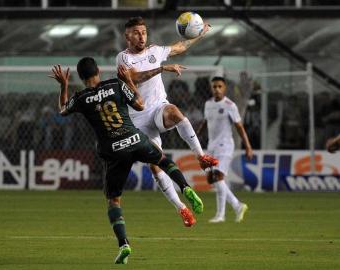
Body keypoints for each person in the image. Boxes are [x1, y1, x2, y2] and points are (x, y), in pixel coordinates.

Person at [49, 57, 207, 264]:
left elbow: (62, 110)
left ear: (80, 77)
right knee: (163, 161)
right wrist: (129, 82)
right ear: (98, 70)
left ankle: (124, 244)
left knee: (113, 201)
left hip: (113, 151)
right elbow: (140, 105)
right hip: (135, 139)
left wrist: (64, 85)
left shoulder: (81, 98)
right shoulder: (116, 84)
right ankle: (185, 187)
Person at [116, 17, 217, 226]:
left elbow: (179, 47)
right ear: (127, 36)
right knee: (156, 165)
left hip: (157, 108)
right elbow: (135, 78)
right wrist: (163, 68)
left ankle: (201, 157)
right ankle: (182, 209)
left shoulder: (155, 51)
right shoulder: (123, 58)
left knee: (176, 112)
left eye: (143, 32)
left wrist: (199, 34)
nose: (141, 36)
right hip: (137, 119)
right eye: (136, 32)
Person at [196, 77, 253, 223]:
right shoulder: (208, 104)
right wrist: (194, 137)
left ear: (225, 88)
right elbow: (205, 122)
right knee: (211, 179)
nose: (217, 89)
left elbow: (239, 127)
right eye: (214, 86)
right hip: (212, 146)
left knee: (218, 177)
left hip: (225, 146)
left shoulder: (230, 105)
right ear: (211, 88)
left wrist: (248, 146)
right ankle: (237, 205)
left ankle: (220, 215)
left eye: (220, 86)